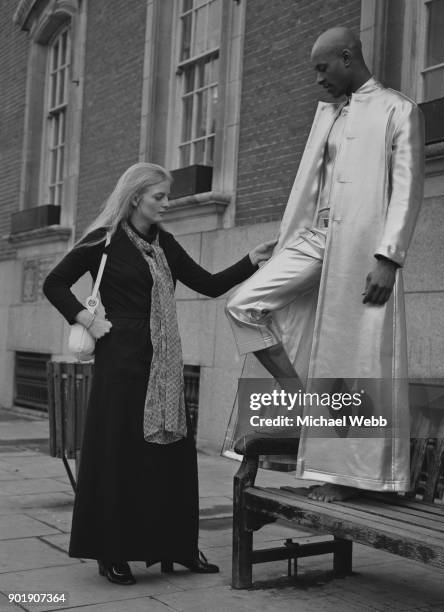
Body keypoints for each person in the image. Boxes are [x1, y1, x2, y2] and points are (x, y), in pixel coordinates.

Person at [43, 162, 275, 585]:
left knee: (170, 457)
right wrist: (90, 321)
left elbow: (207, 284)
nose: (167, 203)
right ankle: (111, 552)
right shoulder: (103, 241)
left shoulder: (164, 243)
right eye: (160, 197)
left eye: (168, 196)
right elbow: (54, 284)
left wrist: (251, 261)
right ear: (136, 198)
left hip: (163, 363)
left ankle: (177, 549)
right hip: (121, 363)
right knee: (119, 456)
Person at [226, 27, 424, 501]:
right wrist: (288, 242)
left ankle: (345, 476)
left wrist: (389, 256)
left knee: (354, 358)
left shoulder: (399, 110)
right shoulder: (330, 115)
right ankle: (301, 400)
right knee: (243, 304)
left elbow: (407, 189)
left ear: (348, 57)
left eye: (322, 68)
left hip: (363, 249)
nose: (318, 79)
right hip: (315, 237)